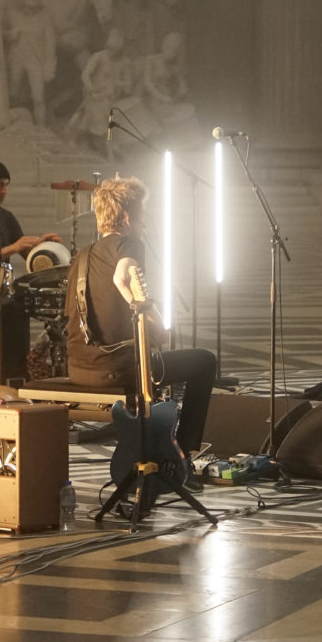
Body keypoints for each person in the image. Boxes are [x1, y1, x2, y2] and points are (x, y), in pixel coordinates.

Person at [65, 176, 218, 451]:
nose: (144, 224)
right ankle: (183, 452)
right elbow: (123, 277)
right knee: (205, 361)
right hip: (116, 370)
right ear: (126, 219)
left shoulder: (81, 256)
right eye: (142, 216)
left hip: (79, 369)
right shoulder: (129, 244)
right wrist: (156, 323)